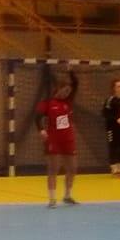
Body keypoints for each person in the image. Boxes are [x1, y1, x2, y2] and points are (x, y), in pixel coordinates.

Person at [37, 70, 79, 208]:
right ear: (58, 88)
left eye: (69, 92)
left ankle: (67, 195)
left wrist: (71, 71)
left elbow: (76, 83)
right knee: (53, 169)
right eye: (65, 90)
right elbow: (37, 117)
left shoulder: (68, 101)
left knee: (72, 168)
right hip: (53, 139)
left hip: (68, 139)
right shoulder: (48, 103)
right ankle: (52, 199)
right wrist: (41, 130)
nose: (67, 93)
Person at [102, 78, 120, 178]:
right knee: (113, 147)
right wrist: (116, 119)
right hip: (112, 128)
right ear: (114, 88)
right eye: (118, 86)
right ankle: (114, 171)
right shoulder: (110, 100)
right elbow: (105, 114)